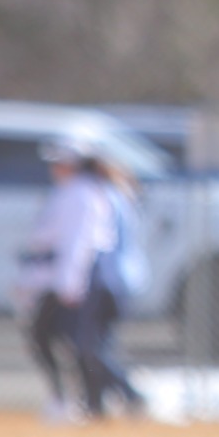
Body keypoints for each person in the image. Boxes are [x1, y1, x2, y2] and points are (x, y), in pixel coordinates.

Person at [14, 140, 116, 424]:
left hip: (76, 280)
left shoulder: (81, 195)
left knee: (77, 343)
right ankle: (72, 402)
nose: (54, 168)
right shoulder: (69, 192)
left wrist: (68, 285)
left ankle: (89, 406)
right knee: (48, 339)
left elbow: (77, 243)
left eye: (59, 163)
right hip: (60, 279)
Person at [71, 157, 148, 419]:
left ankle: (129, 394)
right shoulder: (121, 197)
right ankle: (96, 404)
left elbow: (93, 244)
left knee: (90, 346)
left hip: (105, 280)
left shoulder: (101, 200)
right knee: (96, 344)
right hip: (121, 281)